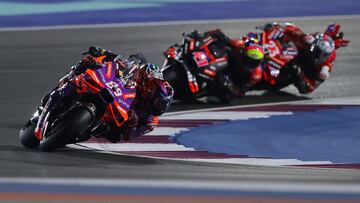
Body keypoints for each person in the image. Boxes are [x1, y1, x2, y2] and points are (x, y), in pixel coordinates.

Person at [41, 46, 174, 143]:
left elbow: (127, 137)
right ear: (151, 88)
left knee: (110, 135)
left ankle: (79, 131)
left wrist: (132, 123)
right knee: (83, 67)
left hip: (115, 121)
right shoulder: (138, 77)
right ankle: (58, 91)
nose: (158, 107)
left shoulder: (150, 121)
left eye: (161, 105)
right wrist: (100, 54)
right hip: (112, 92)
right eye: (158, 101)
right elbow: (117, 62)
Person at [259, 22, 349, 93]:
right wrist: (275, 26)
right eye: (315, 50)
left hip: (287, 72)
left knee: (293, 68)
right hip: (280, 52)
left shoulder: (324, 70)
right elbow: (291, 28)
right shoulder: (308, 40)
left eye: (321, 54)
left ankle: (265, 78)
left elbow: (308, 89)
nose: (315, 54)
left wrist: (299, 73)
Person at [204, 29, 265, 96]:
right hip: (225, 62)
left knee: (227, 95)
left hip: (232, 79)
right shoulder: (239, 44)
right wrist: (205, 36)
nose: (251, 63)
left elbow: (241, 91)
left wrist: (230, 86)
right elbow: (220, 34)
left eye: (255, 62)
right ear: (244, 53)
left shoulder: (256, 75)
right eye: (249, 60)